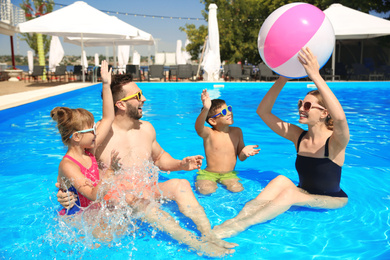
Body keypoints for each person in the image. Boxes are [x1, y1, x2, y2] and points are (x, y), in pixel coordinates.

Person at [56, 73, 237, 256]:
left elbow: (159, 158)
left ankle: (208, 235)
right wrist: (64, 192)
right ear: (120, 104)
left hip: (145, 190)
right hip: (120, 200)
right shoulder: (99, 135)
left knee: (180, 184)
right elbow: (75, 163)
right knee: (137, 201)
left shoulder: (146, 128)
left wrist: (181, 164)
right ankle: (194, 243)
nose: (144, 98)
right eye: (138, 95)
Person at [213, 47, 349, 239]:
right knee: (280, 181)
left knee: (289, 195)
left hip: (332, 199)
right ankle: (236, 219)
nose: (302, 108)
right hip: (304, 192)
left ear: (325, 113)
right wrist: (284, 77)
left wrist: (315, 76)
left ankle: (241, 226)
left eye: (308, 106)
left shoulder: (335, 141)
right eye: (301, 103)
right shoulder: (299, 136)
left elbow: (341, 118)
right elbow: (263, 112)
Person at [52, 60, 115, 216]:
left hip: (92, 212)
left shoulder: (88, 151)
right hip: (76, 218)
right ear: (77, 137)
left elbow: (108, 118)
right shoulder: (68, 165)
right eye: (92, 129)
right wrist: (111, 172)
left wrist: (106, 84)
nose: (96, 132)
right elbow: (93, 195)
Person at [194, 89, 260, 194]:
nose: (229, 113)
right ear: (212, 121)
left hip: (229, 174)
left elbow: (241, 158)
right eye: (224, 112)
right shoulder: (209, 133)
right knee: (205, 191)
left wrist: (244, 152)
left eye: (229, 109)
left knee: (237, 189)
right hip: (209, 174)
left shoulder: (237, 132)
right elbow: (198, 127)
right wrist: (206, 109)